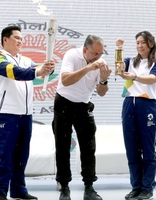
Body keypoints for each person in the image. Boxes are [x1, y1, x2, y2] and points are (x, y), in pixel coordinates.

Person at [0, 25, 55, 200]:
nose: (20, 41)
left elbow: (37, 71)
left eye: (21, 38)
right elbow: (14, 72)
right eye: (16, 38)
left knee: (21, 155)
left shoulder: (26, 60)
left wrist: (48, 67)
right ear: (5, 39)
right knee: (4, 155)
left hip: (25, 114)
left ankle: (18, 189)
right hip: (3, 113)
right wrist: (38, 71)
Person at [52, 35, 111, 200]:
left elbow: (101, 93)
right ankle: (64, 187)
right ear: (85, 50)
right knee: (62, 146)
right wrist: (89, 67)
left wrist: (104, 81)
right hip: (63, 102)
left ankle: (89, 187)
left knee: (88, 146)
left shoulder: (101, 62)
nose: (98, 57)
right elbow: (65, 80)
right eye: (94, 53)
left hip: (83, 105)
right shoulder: (71, 55)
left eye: (100, 54)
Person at [116, 31, 156, 200]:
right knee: (131, 149)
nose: (139, 45)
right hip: (129, 104)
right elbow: (120, 70)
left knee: (148, 149)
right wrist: (119, 49)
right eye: (137, 42)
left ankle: (147, 188)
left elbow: (152, 79)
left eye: (143, 42)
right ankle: (136, 187)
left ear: (151, 43)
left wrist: (135, 77)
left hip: (147, 106)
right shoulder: (130, 61)